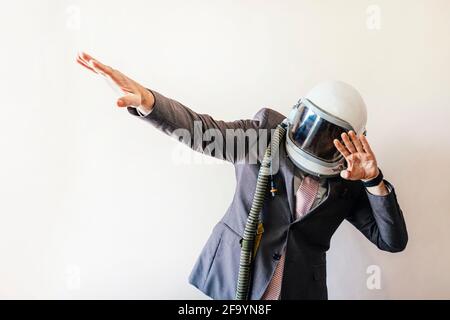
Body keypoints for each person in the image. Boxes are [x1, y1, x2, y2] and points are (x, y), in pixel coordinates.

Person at [76, 52, 408, 300]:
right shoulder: (264, 134)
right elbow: (202, 131)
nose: (317, 143)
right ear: (297, 114)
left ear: (353, 141)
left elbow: (392, 241)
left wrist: (372, 179)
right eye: (312, 127)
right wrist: (150, 102)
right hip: (232, 277)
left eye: (331, 138)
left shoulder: (349, 182)